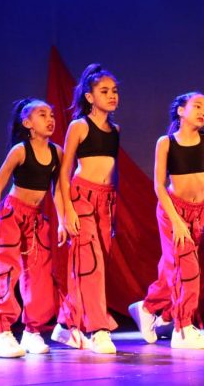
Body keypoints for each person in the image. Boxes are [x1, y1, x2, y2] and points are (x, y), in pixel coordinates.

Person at [128, 92, 204, 349]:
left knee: (174, 268)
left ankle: (147, 308)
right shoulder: (166, 142)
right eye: (197, 106)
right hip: (173, 211)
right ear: (181, 111)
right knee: (188, 269)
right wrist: (177, 221)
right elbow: (159, 185)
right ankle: (182, 329)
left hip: (199, 210)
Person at [0, 98, 65, 358]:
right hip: (12, 213)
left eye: (51, 114)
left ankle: (32, 330)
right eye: (42, 114)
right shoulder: (20, 150)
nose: (50, 119)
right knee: (5, 269)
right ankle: (1, 332)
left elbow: (58, 190)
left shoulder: (57, 152)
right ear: (27, 123)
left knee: (38, 274)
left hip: (36, 218)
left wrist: (62, 220)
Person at [52, 63, 120, 354]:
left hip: (105, 201)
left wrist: (113, 211)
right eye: (104, 91)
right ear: (90, 97)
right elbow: (64, 174)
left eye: (114, 90)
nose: (112, 95)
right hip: (80, 197)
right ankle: (98, 329)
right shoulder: (79, 126)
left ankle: (67, 323)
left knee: (91, 263)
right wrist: (65, 213)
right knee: (91, 264)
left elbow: (113, 171)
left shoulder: (115, 129)